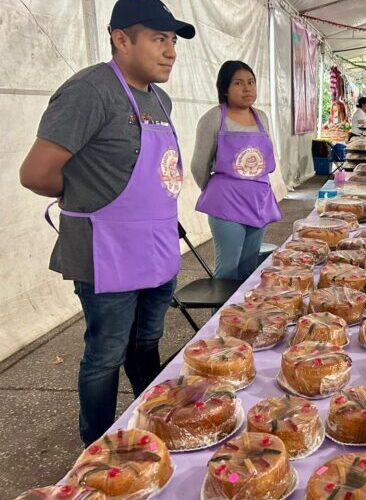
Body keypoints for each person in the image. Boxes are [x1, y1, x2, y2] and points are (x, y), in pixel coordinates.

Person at [18, 0, 195, 445]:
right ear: (121, 39)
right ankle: (97, 448)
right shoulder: (90, 92)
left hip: (157, 248)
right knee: (105, 355)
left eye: (173, 41)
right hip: (107, 250)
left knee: (146, 344)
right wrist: (95, 202)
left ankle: (151, 427)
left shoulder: (160, 97)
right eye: (159, 38)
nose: (170, 51)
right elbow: (36, 173)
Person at [191, 61, 283, 281]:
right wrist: (218, 191)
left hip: (259, 199)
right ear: (225, 88)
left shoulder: (261, 117)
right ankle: (221, 316)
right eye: (238, 83)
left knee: (250, 267)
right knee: (228, 269)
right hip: (227, 202)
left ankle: (243, 315)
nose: (247, 88)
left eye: (251, 82)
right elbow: (199, 164)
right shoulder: (214, 118)